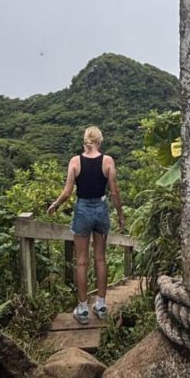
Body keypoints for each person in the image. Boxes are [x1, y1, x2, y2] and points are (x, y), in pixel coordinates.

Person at [47, 125, 125, 325]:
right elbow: (114, 192)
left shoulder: (75, 161)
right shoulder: (107, 161)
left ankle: (82, 308)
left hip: (82, 209)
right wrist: (120, 215)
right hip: (100, 208)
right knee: (101, 258)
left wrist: (55, 205)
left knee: (81, 260)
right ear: (100, 141)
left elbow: (67, 192)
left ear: (86, 140)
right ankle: (100, 304)